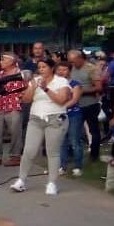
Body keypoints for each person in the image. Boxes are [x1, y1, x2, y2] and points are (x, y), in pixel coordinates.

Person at [11, 58, 71, 196]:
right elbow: (26, 100)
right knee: (29, 151)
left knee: (52, 152)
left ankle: (52, 183)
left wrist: (45, 88)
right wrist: (32, 87)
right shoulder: (35, 80)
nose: (41, 69)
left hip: (55, 119)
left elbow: (61, 100)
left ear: (52, 68)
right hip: (36, 118)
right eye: (40, 67)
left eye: (44, 67)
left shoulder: (61, 81)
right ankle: (21, 180)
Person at [0, 53, 26, 166]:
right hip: (0, 102)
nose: (1, 61)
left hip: (14, 102)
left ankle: (15, 156)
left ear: (11, 61)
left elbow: (25, 86)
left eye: (3, 59)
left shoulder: (20, 73)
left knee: (15, 130)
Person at [67, 50, 103, 162]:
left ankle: (94, 154)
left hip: (90, 104)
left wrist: (81, 91)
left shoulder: (91, 69)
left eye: (74, 61)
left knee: (93, 130)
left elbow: (98, 87)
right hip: (75, 105)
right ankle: (73, 153)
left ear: (80, 58)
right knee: (74, 130)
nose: (72, 64)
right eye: (70, 62)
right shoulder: (71, 69)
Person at [57, 62, 85, 178]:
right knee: (62, 142)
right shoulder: (55, 84)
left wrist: (60, 107)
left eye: (64, 69)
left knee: (74, 141)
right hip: (60, 116)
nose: (62, 72)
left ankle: (77, 166)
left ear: (69, 70)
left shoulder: (75, 84)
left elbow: (74, 100)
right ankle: (62, 166)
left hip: (73, 115)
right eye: (59, 69)